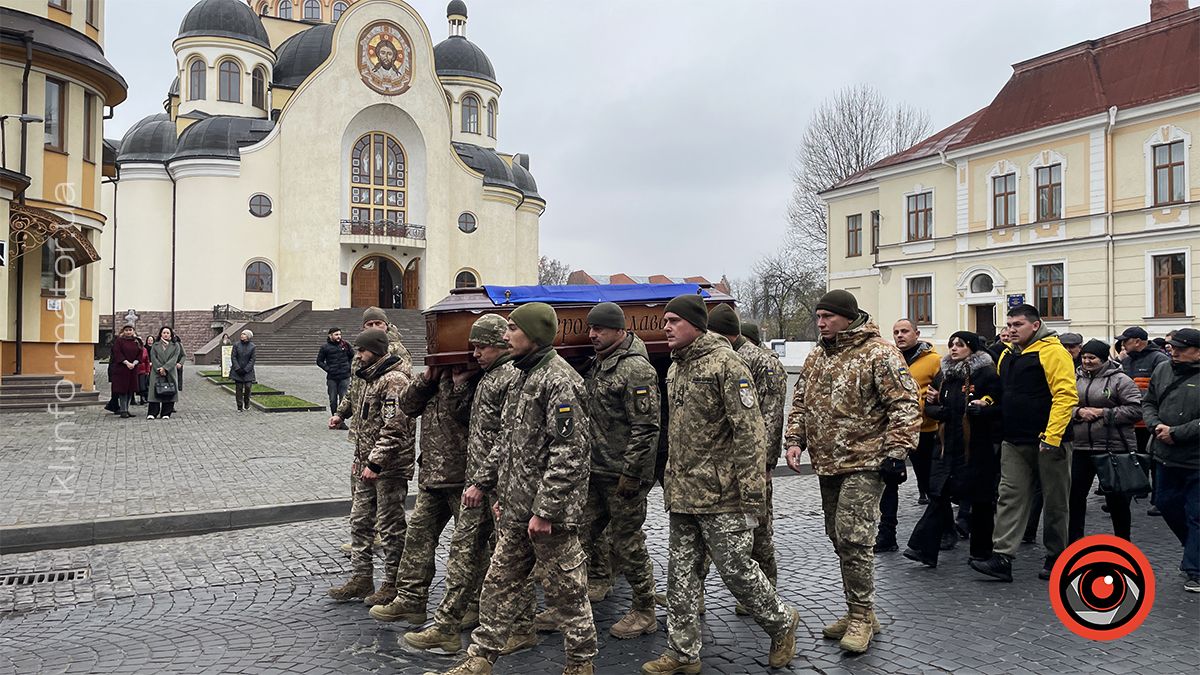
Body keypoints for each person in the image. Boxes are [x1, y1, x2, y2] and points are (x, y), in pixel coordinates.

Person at [642, 294, 798, 675]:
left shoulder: (728, 365)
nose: (666, 327)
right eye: (665, 321)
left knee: (736, 570)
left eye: (674, 321)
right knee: (680, 574)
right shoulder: (675, 369)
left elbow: (749, 432)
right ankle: (683, 653)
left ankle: (781, 622)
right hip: (682, 493)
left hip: (723, 494)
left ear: (696, 325)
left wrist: (751, 498)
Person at [441, 303, 594, 675]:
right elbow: (507, 442)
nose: (506, 335)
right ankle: (480, 658)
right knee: (497, 584)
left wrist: (546, 511)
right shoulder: (521, 376)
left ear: (535, 334)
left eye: (512, 328)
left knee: (567, 593)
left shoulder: (560, 381)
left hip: (548, 518)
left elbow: (571, 452)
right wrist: (485, 483)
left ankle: (580, 663)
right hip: (514, 510)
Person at [784, 289, 919, 654]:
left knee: (854, 536)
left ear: (847, 317)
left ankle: (861, 616)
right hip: (828, 463)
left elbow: (905, 404)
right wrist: (794, 440)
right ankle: (859, 609)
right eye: (818, 317)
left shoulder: (880, 353)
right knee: (837, 535)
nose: (821, 322)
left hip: (866, 461)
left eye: (828, 316)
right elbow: (800, 403)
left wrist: (896, 452)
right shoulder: (817, 357)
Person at [405, 314, 527, 654]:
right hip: (481, 482)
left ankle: (522, 625)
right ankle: (446, 625)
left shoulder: (509, 378)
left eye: (482, 347)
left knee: (510, 558)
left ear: (501, 344)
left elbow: (508, 439)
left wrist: (484, 482)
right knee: (465, 552)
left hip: (496, 485)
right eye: (472, 346)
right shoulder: (488, 376)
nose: (475, 353)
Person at [970, 304, 1077, 583]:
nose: (1011, 330)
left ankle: (1056, 556)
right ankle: (1002, 557)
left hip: (1048, 440)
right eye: (1009, 325)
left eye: (1017, 324)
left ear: (1035, 325)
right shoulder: (1007, 355)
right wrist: (989, 402)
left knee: (1055, 501)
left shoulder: (1053, 352)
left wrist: (1052, 437)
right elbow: (1003, 393)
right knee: (1009, 496)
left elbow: (1065, 396)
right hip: (1014, 438)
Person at [573, 302, 661, 639]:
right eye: (590, 329)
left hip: (622, 478)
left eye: (600, 329)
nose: (592, 335)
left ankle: (644, 608)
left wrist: (632, 475)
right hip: (595, 472)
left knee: (628, 544)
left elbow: (646, 427)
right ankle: (568, 603)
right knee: (577, 537)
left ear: (619, 330)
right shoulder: (598, 364)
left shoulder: (636, 369)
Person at [369, 362, 477, 614]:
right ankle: (411, 599)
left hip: (465, 477)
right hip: (432, 474)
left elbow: (466, 415)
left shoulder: (477, 376)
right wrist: (427, 379)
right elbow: (407, 406)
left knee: (471, 547)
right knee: (418, 538)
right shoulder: (434, 378)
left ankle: (474, 604)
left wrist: (459, 384)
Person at [327, 329, 415, 602]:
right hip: (366, 464)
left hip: (388, 468)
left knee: (390, 526)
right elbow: (357, 407)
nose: (358, 355)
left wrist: (376, 462)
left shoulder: (394, 381)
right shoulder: (369, 377)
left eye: (362, 350)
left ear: (375, 350)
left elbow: (395, 427)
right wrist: (341, 416)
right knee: (361, 522)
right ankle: (361, 578)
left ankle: (392, 583)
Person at [707, 304, 786, 609]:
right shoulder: (718, 358)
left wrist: (765, 464)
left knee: (760, 526)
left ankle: (766, 589)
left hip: (752, 464)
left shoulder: (761, 361)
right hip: (722, 462)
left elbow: (770, 417)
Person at [904, 331, 1001, 568]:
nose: (954, 349)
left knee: (981, 500)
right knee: (939, 495)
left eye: (960, 344)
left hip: (976, 446)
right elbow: (930, 406)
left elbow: (999, 405)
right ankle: (922, 548)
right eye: (951, 345)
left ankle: (981, 552)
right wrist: (940, 411)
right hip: (947, 446)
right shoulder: (944, 375)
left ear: (972, 348)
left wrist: (983, 410)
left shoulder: (987, 374)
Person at [876, 319, 941, 553]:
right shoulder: (890, 358)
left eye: (905, 331)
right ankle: (887, 535)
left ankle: (946, 529)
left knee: (930, 484)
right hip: (895, 432)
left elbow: (941, 392)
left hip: (925, 431)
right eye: (896, 332)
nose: (900, 335)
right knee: (889, 482)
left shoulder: (934, 360)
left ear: (917, 333)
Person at [1143, 328, 1200, 592]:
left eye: (1181, 348)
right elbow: (1149, 402)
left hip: (1196, 458)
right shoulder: (1163, 370)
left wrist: (1176, 433)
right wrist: (1155, 426)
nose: (1173, 351)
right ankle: (1194, 549)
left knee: (1196, 514)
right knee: (1165, 504)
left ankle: (1194, 569)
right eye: (1172, 347)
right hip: (1165, 456)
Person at [1068, 339, 1141, 543]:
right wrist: (1079, 412)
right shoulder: (1073, 378)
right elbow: (1062, 404)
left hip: (1113, 447)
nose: (1087, 361)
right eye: (1084, 357)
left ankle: (1123, 542)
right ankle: (1074, 542)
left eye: (1092, 358)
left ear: (1103, 358)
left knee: (1117, 500)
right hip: (1080, 446)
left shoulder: (1121, 380)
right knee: (1074, 498)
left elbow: (1135, 409)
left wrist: (1103, 413)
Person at [1119, 325, 1171, 516]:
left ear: (1138, 341)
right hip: (1131, 419)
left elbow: (1162, 389)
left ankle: (1158, 500)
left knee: (1156, 461)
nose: (1123, 344)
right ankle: (1131, 493)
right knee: (1133, 458)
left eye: (1126, 341)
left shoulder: (1159, 359)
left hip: (1150, 420)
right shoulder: (1127, 360)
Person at [147, 327, 184, 420]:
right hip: (157, 371)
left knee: (169, 391)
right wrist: (160, 368)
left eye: (167, 333)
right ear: (160, 334)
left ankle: (166, 412)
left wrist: (165, 368)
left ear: (171, 334)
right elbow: (153, 358)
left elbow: (175, 358)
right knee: (154, 391)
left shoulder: (175, 345)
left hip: (170, 371)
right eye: (164, 333)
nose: (166, 334)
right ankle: (153, 412)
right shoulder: (155, 345)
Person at [317, 327, 354, 417]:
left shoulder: (346, 345)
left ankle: (341, 419)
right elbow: (319, 361)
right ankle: (334, 416)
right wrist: (328, 369)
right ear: (330, 335)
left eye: (340, 334)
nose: (339, 336)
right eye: (336, 335)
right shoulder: (325, 347)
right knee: (333, 399)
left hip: (344, 376)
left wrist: (349, 367)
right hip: (332, 377)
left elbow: (352, 357)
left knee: (343, 399)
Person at [108, 325, 142, 419]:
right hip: (121, 369)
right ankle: (123, 410)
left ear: (133, 331)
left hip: (133, 369)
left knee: (130, 390)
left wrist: (134, 363)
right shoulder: (119, 341)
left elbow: (140, 354)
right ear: (123, 331)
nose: (128, 332)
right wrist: (126, 363)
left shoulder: (137, 341)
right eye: (126, 330)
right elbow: (117, 353)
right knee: (123, 390)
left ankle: (127, 409)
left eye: (130, 330)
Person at [230, 329, 256, 412]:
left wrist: (246, 369)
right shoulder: (236, 345)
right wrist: (237, 368)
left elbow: (252, 359)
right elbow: (233, 357)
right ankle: (239, 406)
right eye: (241, 334)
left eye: (244, 334)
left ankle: (247, 403)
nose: (242, 335)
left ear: (248, 336)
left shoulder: (252, 346)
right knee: (239, 389)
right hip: (238, 371)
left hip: (248, 372)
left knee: (248, 387)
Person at [136, 335, 152, 406]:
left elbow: (147, 360)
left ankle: (142, 398)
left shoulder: (144, 349)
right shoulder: (134, 349)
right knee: (135, 385)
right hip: (135, 369)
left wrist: (147, 370)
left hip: (142, 369)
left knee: (143, 385)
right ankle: (132, 399)